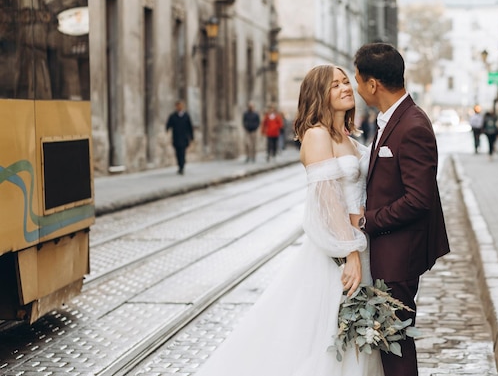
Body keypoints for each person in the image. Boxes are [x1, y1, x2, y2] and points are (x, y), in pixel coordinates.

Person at [195, 64, 383, 375]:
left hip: (358, 245)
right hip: (339, 253)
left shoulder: (346, 136)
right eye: (335, 85)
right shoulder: (317, 135)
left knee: (353, 337)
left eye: (345, 82)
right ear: (319, 95)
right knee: (328, 337)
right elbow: (328, 201)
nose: (345, 88)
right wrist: (349, 253)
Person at [353, 42, 450, 376]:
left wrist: (368, 219)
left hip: (400, 253)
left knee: (396, 346)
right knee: (390, 342)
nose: (355, 85)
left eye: (357, 78)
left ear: (372, 84)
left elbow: (418, 200)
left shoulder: (412, 125)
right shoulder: (392, 119)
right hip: (390, 251)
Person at [165, 100, 193, 175]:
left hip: (184, 138)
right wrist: (167, 129)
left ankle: (182, 166)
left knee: (183, 152)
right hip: (176, 137)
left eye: (180, 106)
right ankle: (180, 166)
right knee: (177, 153)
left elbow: (190, 127)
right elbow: (169, 124)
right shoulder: (173, 116)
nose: (179, 107)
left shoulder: (186, 116)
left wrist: (191, 137)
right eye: (177, 106)